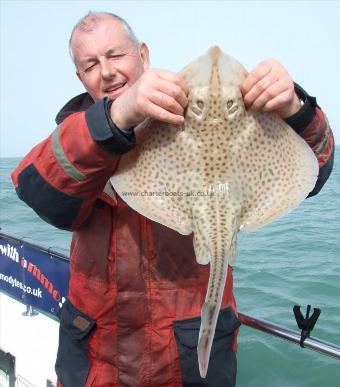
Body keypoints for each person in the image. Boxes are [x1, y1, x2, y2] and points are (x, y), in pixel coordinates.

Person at [11, 11, 334, 387]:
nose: (107, 71)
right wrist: (114, 120)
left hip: (186, 360)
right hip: (97, 362)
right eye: (91, 64)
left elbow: (315, 170)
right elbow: (40, 192)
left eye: (115, 55)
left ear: (143, 55)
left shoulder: (180, 115)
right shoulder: (76, 128)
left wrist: (296, 108)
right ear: (80, 77)